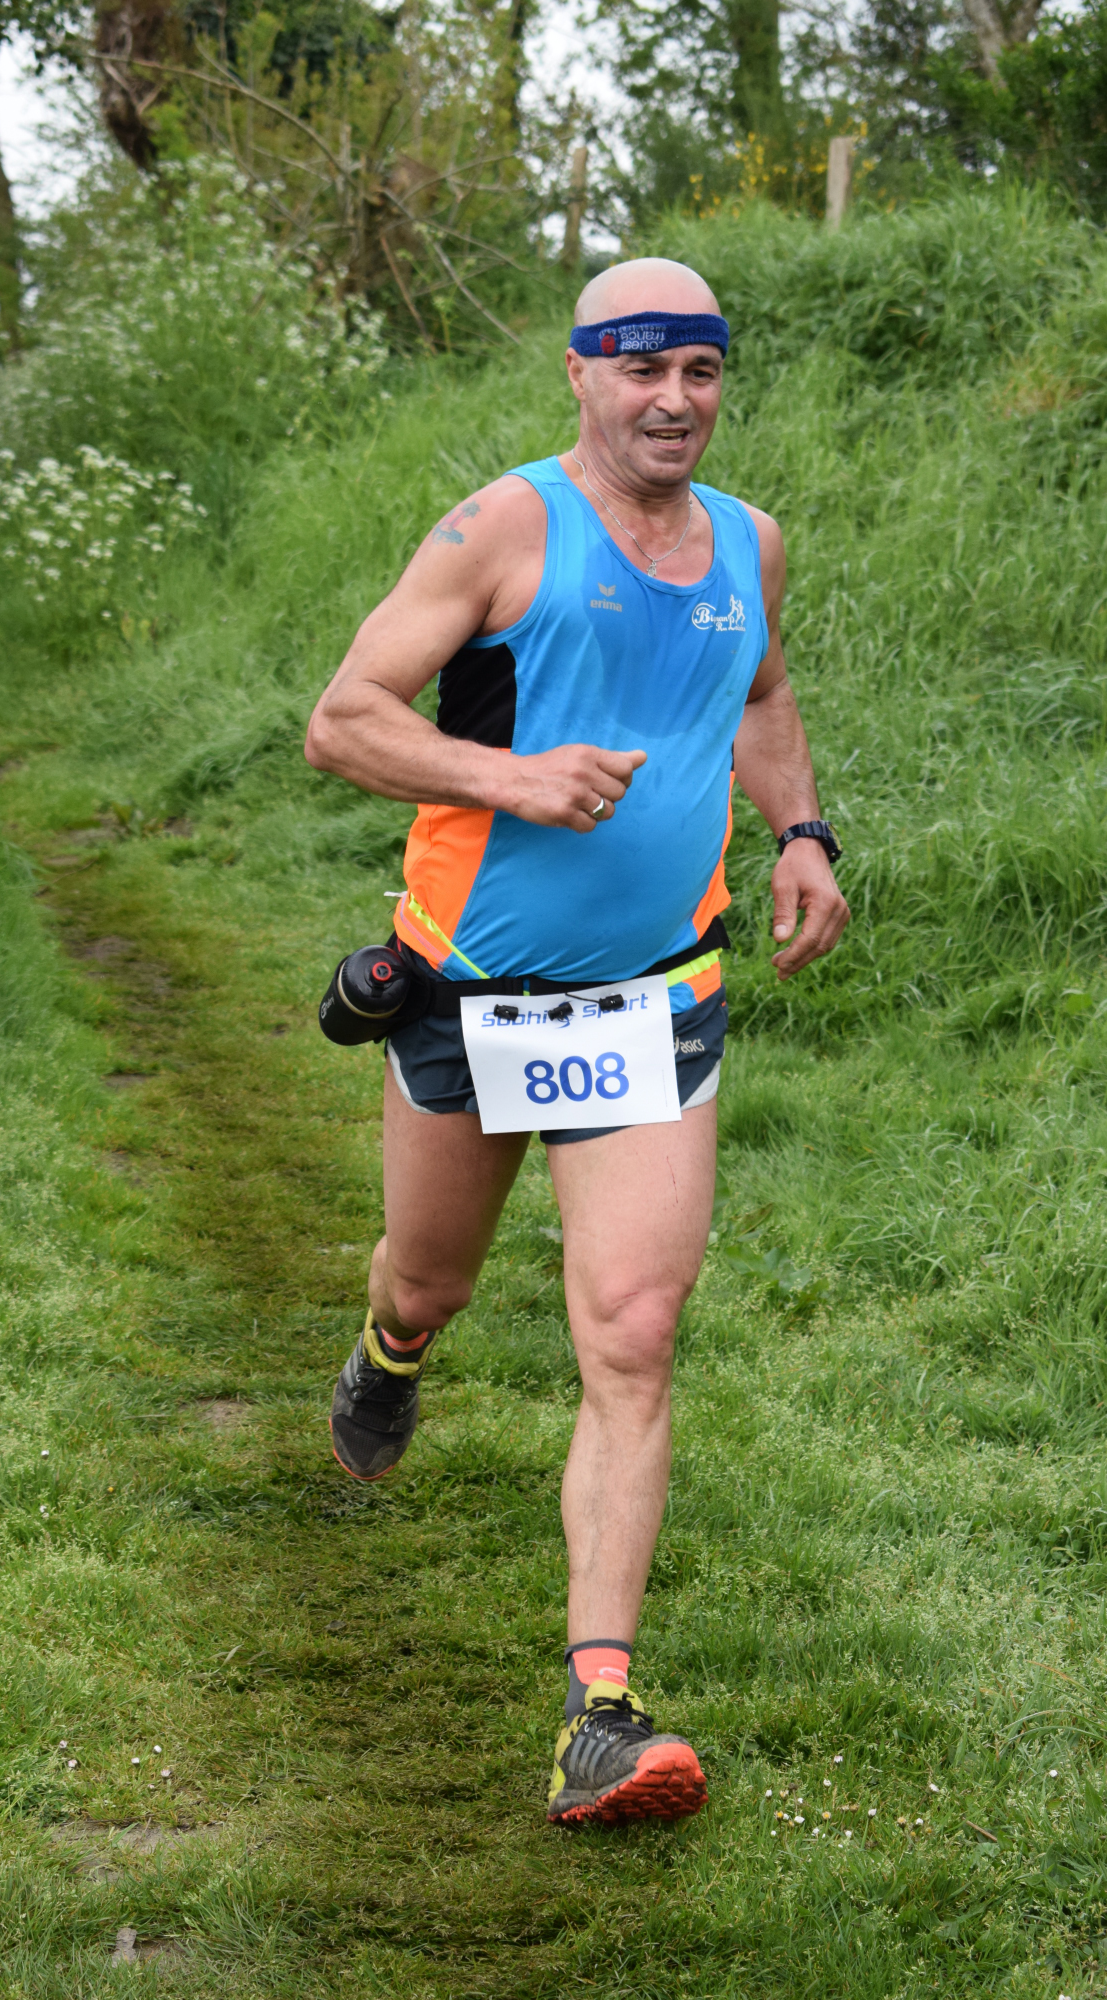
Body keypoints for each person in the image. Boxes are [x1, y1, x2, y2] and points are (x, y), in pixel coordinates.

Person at [304, 257, 851, 1829]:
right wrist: (514, 779)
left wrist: (798, 830)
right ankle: (391, 1351)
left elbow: (758, 691)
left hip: (652, 999)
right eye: (639, 368)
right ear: (579, 374)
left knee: (632, 1330)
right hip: (470, 993)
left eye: (699, 370)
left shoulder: (748, 543)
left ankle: (599, 1713)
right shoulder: (503, 529)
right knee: (430, 1278)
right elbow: (343, 718)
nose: (672, 399)